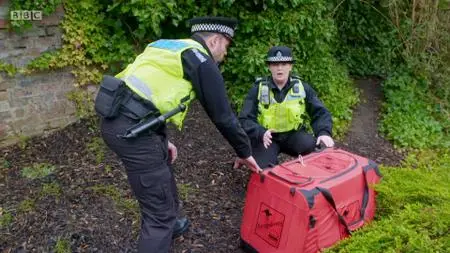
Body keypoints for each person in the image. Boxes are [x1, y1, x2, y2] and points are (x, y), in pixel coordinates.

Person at [97, 16, 262, 253]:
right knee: (158, 215)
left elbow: (144, 96)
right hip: (133, 134)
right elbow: (224, 116)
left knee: (161, 164)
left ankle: (172, 224)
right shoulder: (202, 62)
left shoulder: (167, 46)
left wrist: (163, 139)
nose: (225, 53)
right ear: (215, 40)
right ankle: (164, 222)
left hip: (119, 119)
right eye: (226, 45)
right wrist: (246, 152)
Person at [238, 46, 334, 169]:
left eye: (284, 64)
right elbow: (244, 119)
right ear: (269, 67)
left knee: (320, 151)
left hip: (294, 135)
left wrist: (324, 132)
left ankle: (311, 183)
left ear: (290, 66)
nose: (279, 68)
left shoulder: (302, 87)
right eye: (275, 64)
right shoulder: (258, 89)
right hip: (268, 138)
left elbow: (320, 112)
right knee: (262, 170)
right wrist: (260, 132)